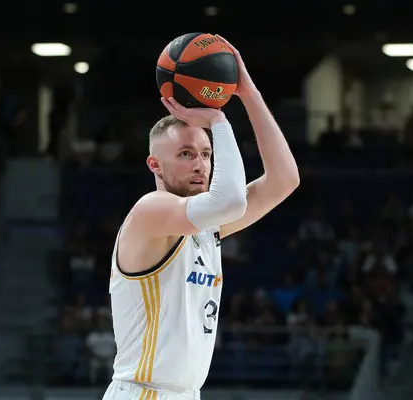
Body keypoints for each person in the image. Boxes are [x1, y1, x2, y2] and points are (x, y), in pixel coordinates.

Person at [102, 36, 300, 400]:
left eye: (207, 154)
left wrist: (248, 93)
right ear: (154, 164)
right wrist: (218, 120)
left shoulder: (206, 227)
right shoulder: (150, 211)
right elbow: (230, 201)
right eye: (186, 153)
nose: (200, 164)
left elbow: (285, 179)